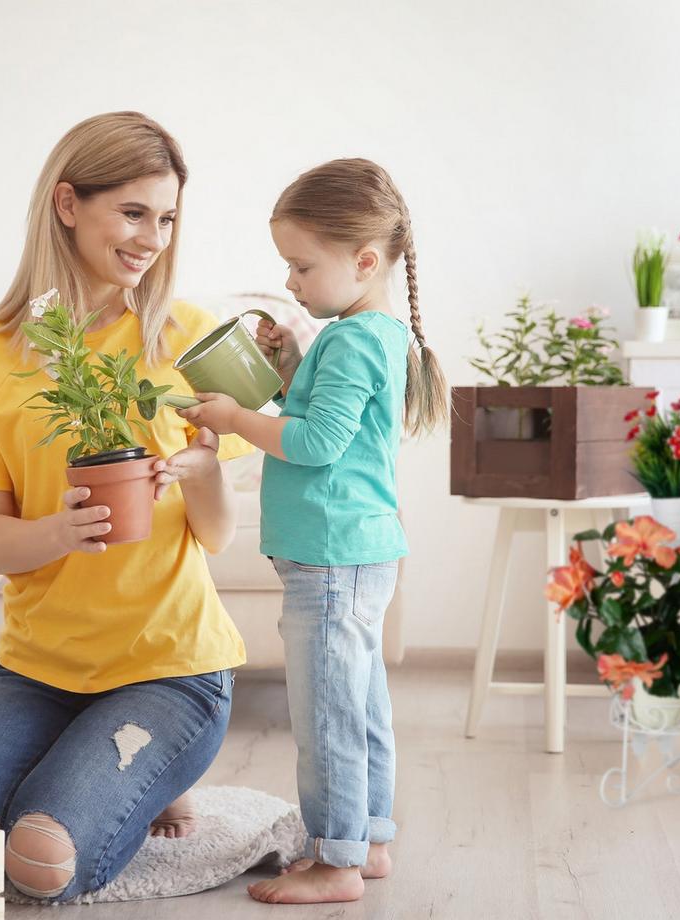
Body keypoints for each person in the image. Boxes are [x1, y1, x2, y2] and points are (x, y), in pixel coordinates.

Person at [0, 111, 253, 901]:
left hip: (172, 671)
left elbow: (218, 534)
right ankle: (97, 762)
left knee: (39, 859)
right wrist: (61, 531)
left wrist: (205, 471)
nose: (152, 238)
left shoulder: (197, 337)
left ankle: (145, 771)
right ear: (67, 204)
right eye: (132, 212)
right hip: (35, 670)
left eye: (167, 218)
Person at [179, 157, 448, 904]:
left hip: (331, 557)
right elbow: (336, 420)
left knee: (327, 715)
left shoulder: (357, 338)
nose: (292, 283)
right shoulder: (370, 332)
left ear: (365, 260)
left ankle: (335, 862)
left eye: (301, 266)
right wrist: (292, 362)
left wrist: (234, 418)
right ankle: (370, 838)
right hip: (357, 551)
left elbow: (317, 443)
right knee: (360, 704)